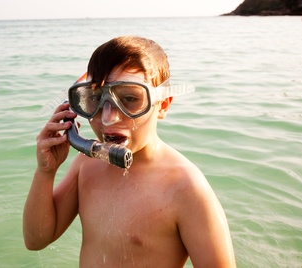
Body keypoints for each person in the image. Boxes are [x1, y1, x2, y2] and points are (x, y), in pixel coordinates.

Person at [23, 36, 236, 267]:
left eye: (130, 99)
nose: (108, 117)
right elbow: (36, 240)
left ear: (162, 105)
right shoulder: (86, 165)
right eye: (94, 99)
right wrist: (46, 172)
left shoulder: (185, 187)